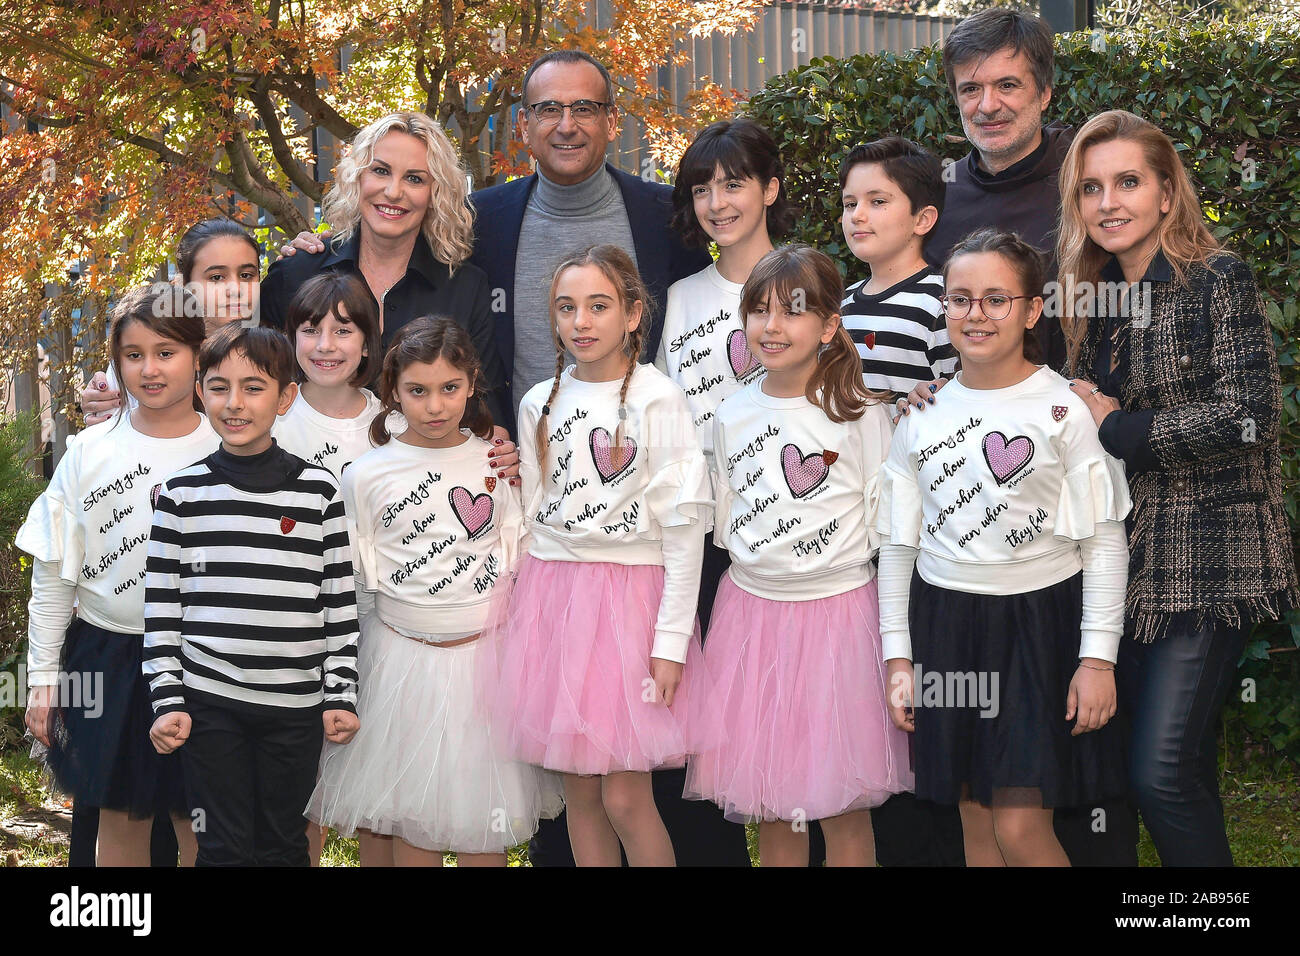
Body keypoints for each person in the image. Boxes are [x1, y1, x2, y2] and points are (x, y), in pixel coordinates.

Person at [1057, 110, 1299, 865]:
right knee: (1161, 768)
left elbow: (1250, 415)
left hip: (1212, 557)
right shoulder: (1091, 298)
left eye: (1129, 181)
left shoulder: (1216, 279)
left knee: (1159, 770)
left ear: (1167, 193)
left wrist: (1120, 427)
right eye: (1091, 188)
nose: (1109, 202)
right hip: (1120, 561)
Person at [878, 228, 1132, 866]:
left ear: (1032, 309)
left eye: (997, 299)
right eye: (960, 299)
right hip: (946, 625)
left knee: (1020, 827)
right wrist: (899, 657)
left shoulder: (1068, 411)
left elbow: (1103, 541)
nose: (976, 314)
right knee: (972, 820)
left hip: (1038, 628)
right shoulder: (920, 415)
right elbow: (897, 547)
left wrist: (1097, 659)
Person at [683, 244, 912, 866]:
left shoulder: (862, 416)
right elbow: (727, 523)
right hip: (751, 619)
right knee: (771, 807)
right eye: (758, 312)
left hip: (839, 620)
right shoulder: (730, 414)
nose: (772, 327)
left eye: (792, 312)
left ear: (830, 325)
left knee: (842, 813)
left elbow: (889, 529)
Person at [306, 317, 562, 866]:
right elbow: (357, 582)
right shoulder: (366, 475)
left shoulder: (499, 462)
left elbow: (519, 553)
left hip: (485, 668)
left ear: (472, 383)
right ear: (392, 391)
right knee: (406, 828)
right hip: (397, 666)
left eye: (450, 388)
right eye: (417, 391)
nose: (435, 406)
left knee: (482, 830)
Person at [491, 245, 717, 866]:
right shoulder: (540, 400)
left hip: (630, 608)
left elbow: (683, 529)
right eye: (567, 308)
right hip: (555, 604)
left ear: (633, 314)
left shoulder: (658, 398)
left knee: (626, 797)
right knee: (580, 796)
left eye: (599, 306)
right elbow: (535, 519)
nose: (582, 322)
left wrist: (670, 641)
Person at [143, 324, 361, 867]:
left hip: (294, 707)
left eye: (254, 387)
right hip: (211, 703)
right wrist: (168, 699)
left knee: (285, 844)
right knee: (221, 847)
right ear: (200, 391)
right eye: (219, 387)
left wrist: (340, 694)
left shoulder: (318, 492)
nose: (234, 403)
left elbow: (338, 601)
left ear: (286, 396)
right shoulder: (180, 495)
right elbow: (162, 612)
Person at [17, 286, 214, 867]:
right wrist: (44, 679)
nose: (150, 369)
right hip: (108, 657)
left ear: (198, 354)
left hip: (205, 661)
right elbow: (54, 579)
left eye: (167, 351)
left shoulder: (230, 446)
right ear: (116, 361)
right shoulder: (86, 453)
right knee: (118, 823)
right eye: (134, 354)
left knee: (201, 825)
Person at [259, 112, 509, 428]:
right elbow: (240, 366)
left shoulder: (464, 287)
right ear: (357, 177)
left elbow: (486, 407)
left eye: (414, 178)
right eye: (380, 171)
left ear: (435, 193)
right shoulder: (298, 273)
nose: (393, 191)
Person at [924, 6, 1073, 372]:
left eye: (1007, 85)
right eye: (972, 89)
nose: (988, 106)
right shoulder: (938, 194)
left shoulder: (1086, 179)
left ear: (1044, 93)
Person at [81, 219, 263, 424]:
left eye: (246, 275)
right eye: (216, 277)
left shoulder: (276, 352)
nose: (235, 289)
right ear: (183, 284)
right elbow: (111, 435)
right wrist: (101, 422)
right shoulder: (144, 362)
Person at [839, 137, 957, 401]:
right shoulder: (842, 303)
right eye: (850, 204)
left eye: (877, 201)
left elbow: (961, 396)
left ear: (922, 219)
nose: (857, 215)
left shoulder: (945, 303)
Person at [273, 272, 386, 476]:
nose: (325, 346)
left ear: (367, 344)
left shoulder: (394, 427)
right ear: (292, 340)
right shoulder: (268, 421)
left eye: (342, 331)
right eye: (310, 330)